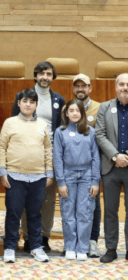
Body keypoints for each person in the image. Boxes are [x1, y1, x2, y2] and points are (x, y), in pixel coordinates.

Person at [12, 61, 65, 252]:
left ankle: (44, 236)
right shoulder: (22, 96)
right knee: (29, 199)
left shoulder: (59, 100)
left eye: (49, 74)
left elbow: (61, 130)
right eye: (41, 73)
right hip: (27, 154)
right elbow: (13, 124)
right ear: (35, 76)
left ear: (53, 77)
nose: (45, 77)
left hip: (50, 155)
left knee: (48, 199)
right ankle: (27, 236)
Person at [0, 88, 53, 263]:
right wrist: (2, 172)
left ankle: (36, 247)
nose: (28, 104)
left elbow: (47, 149)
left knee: (35, 214)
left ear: (36, 105)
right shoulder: (10, 122)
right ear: (19, 103)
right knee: (13, 214)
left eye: (32, 102)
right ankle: (9, 247)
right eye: (25, 101)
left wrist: (49, 173)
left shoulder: (43, 124)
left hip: (38, 177)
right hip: (14, 176)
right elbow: (1, 148)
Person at [54, 99, 101, 261]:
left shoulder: (90, 131)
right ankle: (70, 246)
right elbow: (57, 158)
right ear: (66, 113)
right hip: (68, 176)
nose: (74, 113)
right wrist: (60, 182)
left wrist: (96, 181)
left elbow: (96, 157)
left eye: (78, 111)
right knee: (68, 212)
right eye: (71, 110)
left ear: (82, 113)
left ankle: (82, 247)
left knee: (85, 212)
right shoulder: (60, 131)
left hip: (87, 176)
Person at [95, 73, 128, 263]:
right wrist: (116, 156)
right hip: (110, 167)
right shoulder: (105, 107)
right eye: (122, 84)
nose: (125, 87)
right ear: (116, 87)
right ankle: (111, 248)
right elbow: (99, 134)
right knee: (110, 210)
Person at [71, 73, 102, 258]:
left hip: (93, 165)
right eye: (77, 86)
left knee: (93, 203)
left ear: (90, 88)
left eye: (85, 86)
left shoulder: (100, 108)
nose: (81, 89)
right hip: (72, 167)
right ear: (73, 88)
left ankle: (92, 241)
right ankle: (74, 241)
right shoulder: (69, 108)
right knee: (72, 205)